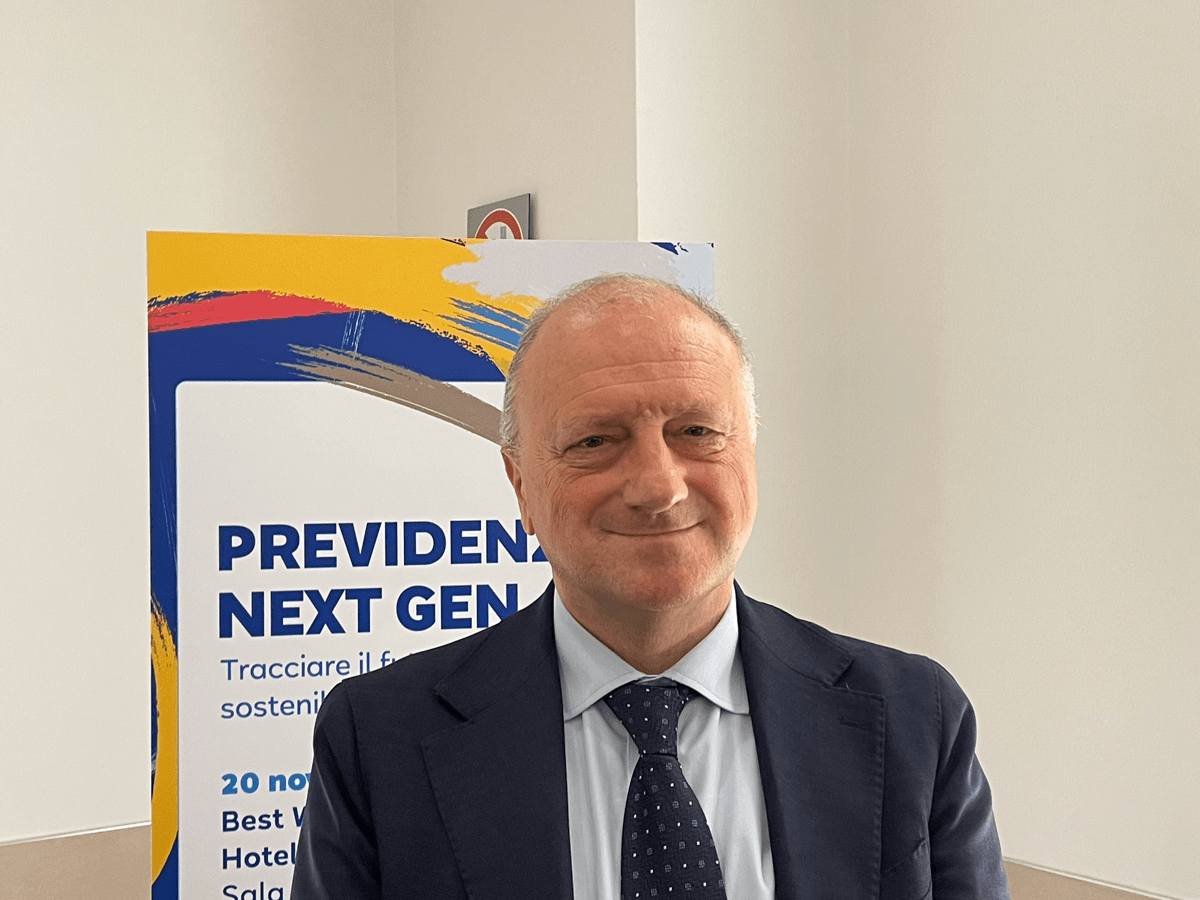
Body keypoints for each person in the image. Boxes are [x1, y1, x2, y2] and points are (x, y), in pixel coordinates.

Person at [291, 274, 1009, 900]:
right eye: (595, 441)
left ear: (749, 453)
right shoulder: (380, 740)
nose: (659, 488)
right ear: (522, 486)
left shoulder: (914, 719)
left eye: (697, 431)